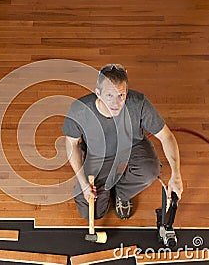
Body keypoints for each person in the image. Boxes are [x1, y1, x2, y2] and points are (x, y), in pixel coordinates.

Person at [62, 64, 183, 220]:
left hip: (132, 144)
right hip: (100, 152)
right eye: (109, 96)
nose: (116, 103)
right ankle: (103, 183)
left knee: (149, 172)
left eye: (121, 95)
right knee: (92, 212)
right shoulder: (80, 110)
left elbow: (166, 136)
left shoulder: (139, 104)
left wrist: (176, 175)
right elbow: (71, 144)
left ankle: (122, 193)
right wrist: (84, 184)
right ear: (98, 93)